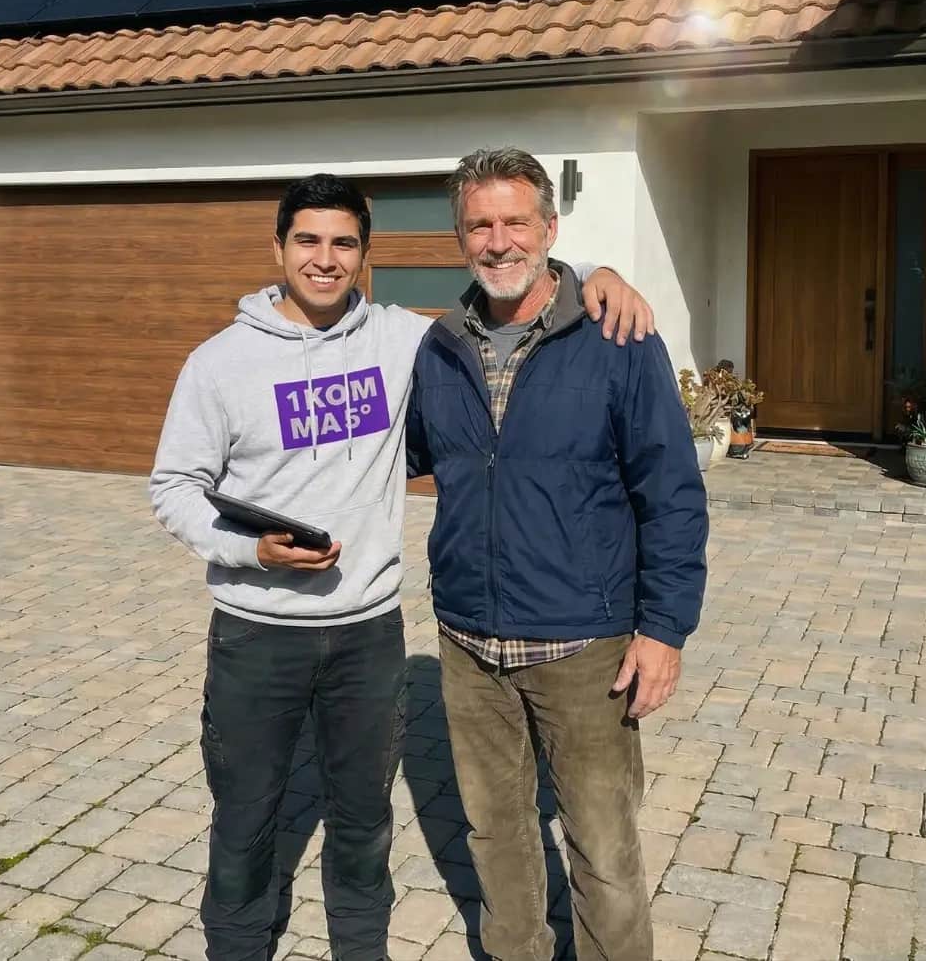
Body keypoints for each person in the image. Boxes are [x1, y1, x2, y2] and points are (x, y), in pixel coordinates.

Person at [149, 172, 656, 961]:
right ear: (277, 248)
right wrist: (248, 548)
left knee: (363, 824)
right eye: (307, 241)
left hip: (367, 637)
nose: (325, 259)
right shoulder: (219, 363)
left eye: (343, 243)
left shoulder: (405, 340)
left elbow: (516, 281)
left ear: (365, 255)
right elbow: (174, 487)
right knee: (246, 819)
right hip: (258, 635)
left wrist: (598, 276)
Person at [406, 148, 708, 961]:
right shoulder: (437, 348)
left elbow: (671, 492)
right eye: (479, 224)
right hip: (470, 642)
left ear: (549, 227)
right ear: (459, 235)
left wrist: (664, 630)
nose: (498, 241)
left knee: (603, 851)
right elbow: (393, 459)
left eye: (514, 221)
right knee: (495, 835)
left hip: (585, 646)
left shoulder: (615, 335)